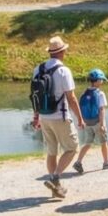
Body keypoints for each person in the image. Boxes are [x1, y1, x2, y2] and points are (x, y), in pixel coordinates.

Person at [30, 35, 83, 197]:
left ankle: (56, 188)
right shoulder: (63, 71)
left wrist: (36, 116)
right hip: (60, 116)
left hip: (45, 117)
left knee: (52, 151)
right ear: (62, 52)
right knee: (72, 148)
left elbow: (35, 96)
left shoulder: (38, 69)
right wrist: (80, 118)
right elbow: (71, 97)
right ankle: (55, 177)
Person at [73, 68, 108, 173]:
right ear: (97, 80)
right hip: (97, 122)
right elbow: (101, 110)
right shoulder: (100, 94)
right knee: (104, 142)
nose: (102, 82)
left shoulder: (84, 93)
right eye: (101, 79)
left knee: (87, 143)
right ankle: (106, 163)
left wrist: (81, 121)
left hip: (87, 123)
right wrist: (103, 124)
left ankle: (78, 162)